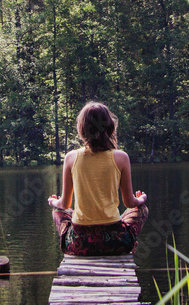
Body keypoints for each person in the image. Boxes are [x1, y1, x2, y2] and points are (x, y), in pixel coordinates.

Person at [47, 101, 149, 256]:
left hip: (79, 244)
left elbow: (65, 204)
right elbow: (130, 203)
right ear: (109, 127)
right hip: (115, 242)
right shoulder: (121, 157)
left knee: (58, 212)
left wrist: (54, 202)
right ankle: (129, 245)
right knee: (141, 210)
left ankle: (69, 247)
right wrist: (141, 200)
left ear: (82, 129)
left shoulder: (71, 158)